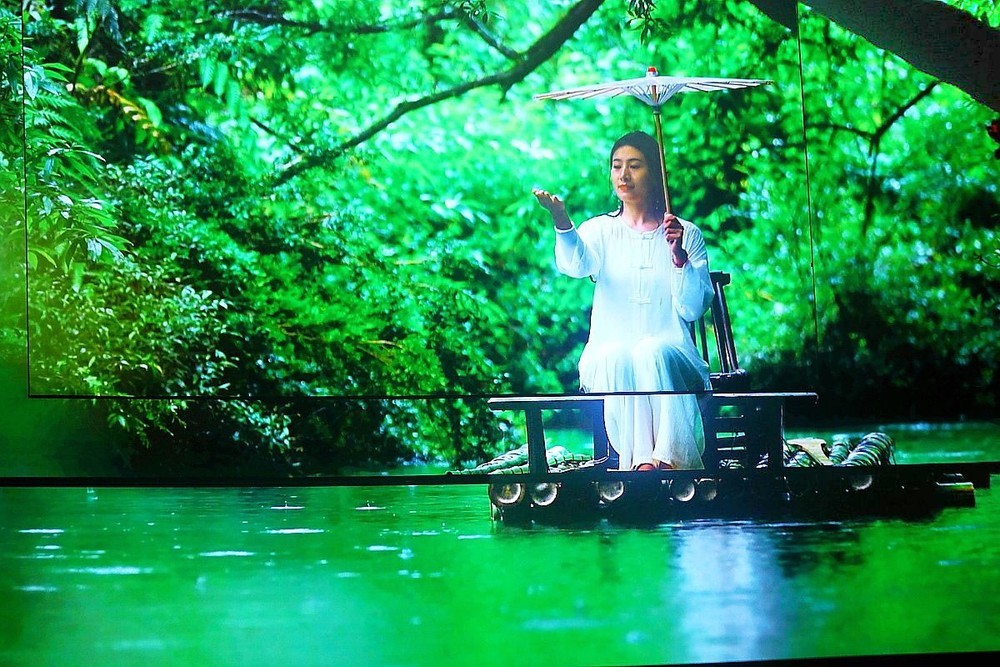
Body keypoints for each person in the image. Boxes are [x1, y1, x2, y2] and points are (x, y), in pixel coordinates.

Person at [533, 130, 714, 471]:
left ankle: (669, 460)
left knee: (651, 351)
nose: (624, 175)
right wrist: (562, 221)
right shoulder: (600, 230)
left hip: (672, 356)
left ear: (655, 173)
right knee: (621, 356)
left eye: (635, 166)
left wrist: (679, 257)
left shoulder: (685, 233)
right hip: (609, 355)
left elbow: (692, 307)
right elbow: (576, 265)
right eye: (617, 166)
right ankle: (640, 461)